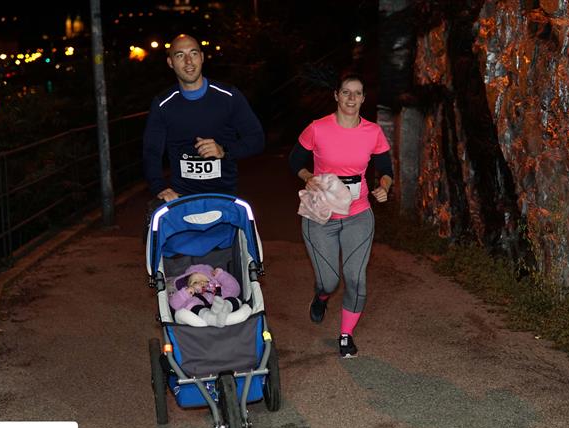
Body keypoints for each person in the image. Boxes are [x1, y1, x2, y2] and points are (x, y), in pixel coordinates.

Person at [289, 72, 393, 358]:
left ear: (363, 98)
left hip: (358, 215)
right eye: (346, 92)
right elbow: (295, 160)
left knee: (355, 278)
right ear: (336, 95)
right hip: (321, 216)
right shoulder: (318, 128)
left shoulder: (372, 132)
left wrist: (384, 187)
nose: (351, 98)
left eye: (357, 93)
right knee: (330, 281)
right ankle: (322, 296)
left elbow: (386, 169)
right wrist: (308, 176)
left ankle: (346, 335)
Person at [142, 34, 265, 206]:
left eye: (193, 54)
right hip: (181, 200)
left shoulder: (229, 96)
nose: (188, 61)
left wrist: (224, 151)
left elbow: (257, 139)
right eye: (180, 55)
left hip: (224, 198)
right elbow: (151, 151)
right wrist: (159, 187)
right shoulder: (163, 104)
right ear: (170, 62)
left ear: (201, 57)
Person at [169, 264, 245, 327]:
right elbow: (174, 304)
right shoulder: (189, 295)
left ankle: (229, 314)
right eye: (195, 282)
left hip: (221, 308)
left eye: (206, 281)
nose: (201, 283)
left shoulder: (218, 289)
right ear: (188, 286)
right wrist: (185, 293)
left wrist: (221, 275)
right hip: (201, 317)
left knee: (233, 300)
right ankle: (212, 319)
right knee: (190, 308)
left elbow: (235, 289)